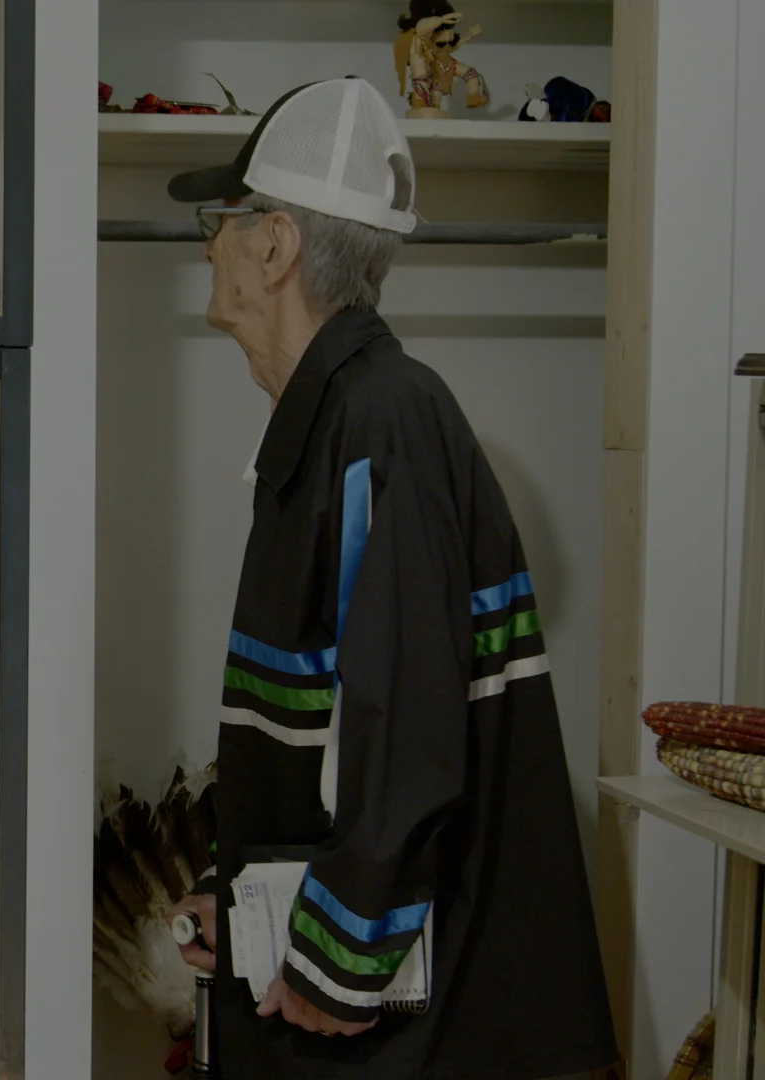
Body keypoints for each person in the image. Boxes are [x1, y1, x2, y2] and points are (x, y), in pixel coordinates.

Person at [164, 78, 618, 1079]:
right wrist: (235, 893)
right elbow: (324, 728)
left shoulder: (386, 419)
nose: (209, 243)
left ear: (275, 246)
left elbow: (407, 723)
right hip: (362, 978)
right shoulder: (339, 420)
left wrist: (338, 960)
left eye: (223, 221)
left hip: (409, 1017)